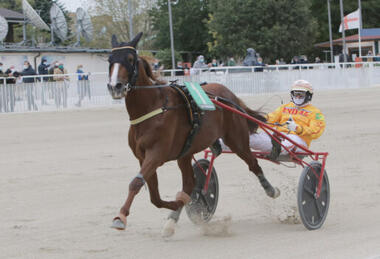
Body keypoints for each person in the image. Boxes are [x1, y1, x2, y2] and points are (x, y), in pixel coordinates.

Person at [249, 80, 325, 160]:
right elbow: (270, 119)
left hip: (299, 141)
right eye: (296, 94)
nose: (298, 97)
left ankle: (278, 149)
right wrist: (254, 121)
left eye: (301, 94)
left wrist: (297, 128)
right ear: (292, 94)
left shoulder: (316, 113)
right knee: (252, 137)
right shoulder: (284, 107)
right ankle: (238, 141)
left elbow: (316, 131)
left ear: (308, 95)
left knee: (291, 139)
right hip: (278, 138)